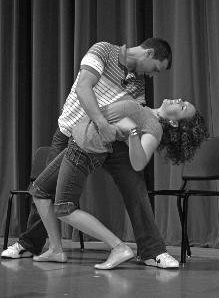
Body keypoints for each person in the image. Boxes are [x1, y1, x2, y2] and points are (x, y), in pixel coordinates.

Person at [1, 37, 178, 269]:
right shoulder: (103, 51)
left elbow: (134, 115)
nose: (153, 75)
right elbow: (84, 87)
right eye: (156, 68)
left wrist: (140, 126)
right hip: (71, 133)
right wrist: (102, 123)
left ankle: (153, 252)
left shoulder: (138, 83)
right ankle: (30, 244)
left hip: (108, 141)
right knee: (45, 188)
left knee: (135, 187)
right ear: (148, 54)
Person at [30, 97, 208, 270]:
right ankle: (55, 249)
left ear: (175, 123)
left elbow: (138, 163)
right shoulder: (145, 110)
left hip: (84, 149)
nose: (179, 100)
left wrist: (132, 132)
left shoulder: (155, 127)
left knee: (63, 208)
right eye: (183, 101)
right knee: (39, 191)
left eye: (183, 107)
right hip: (75, 144)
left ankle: (118, 247)